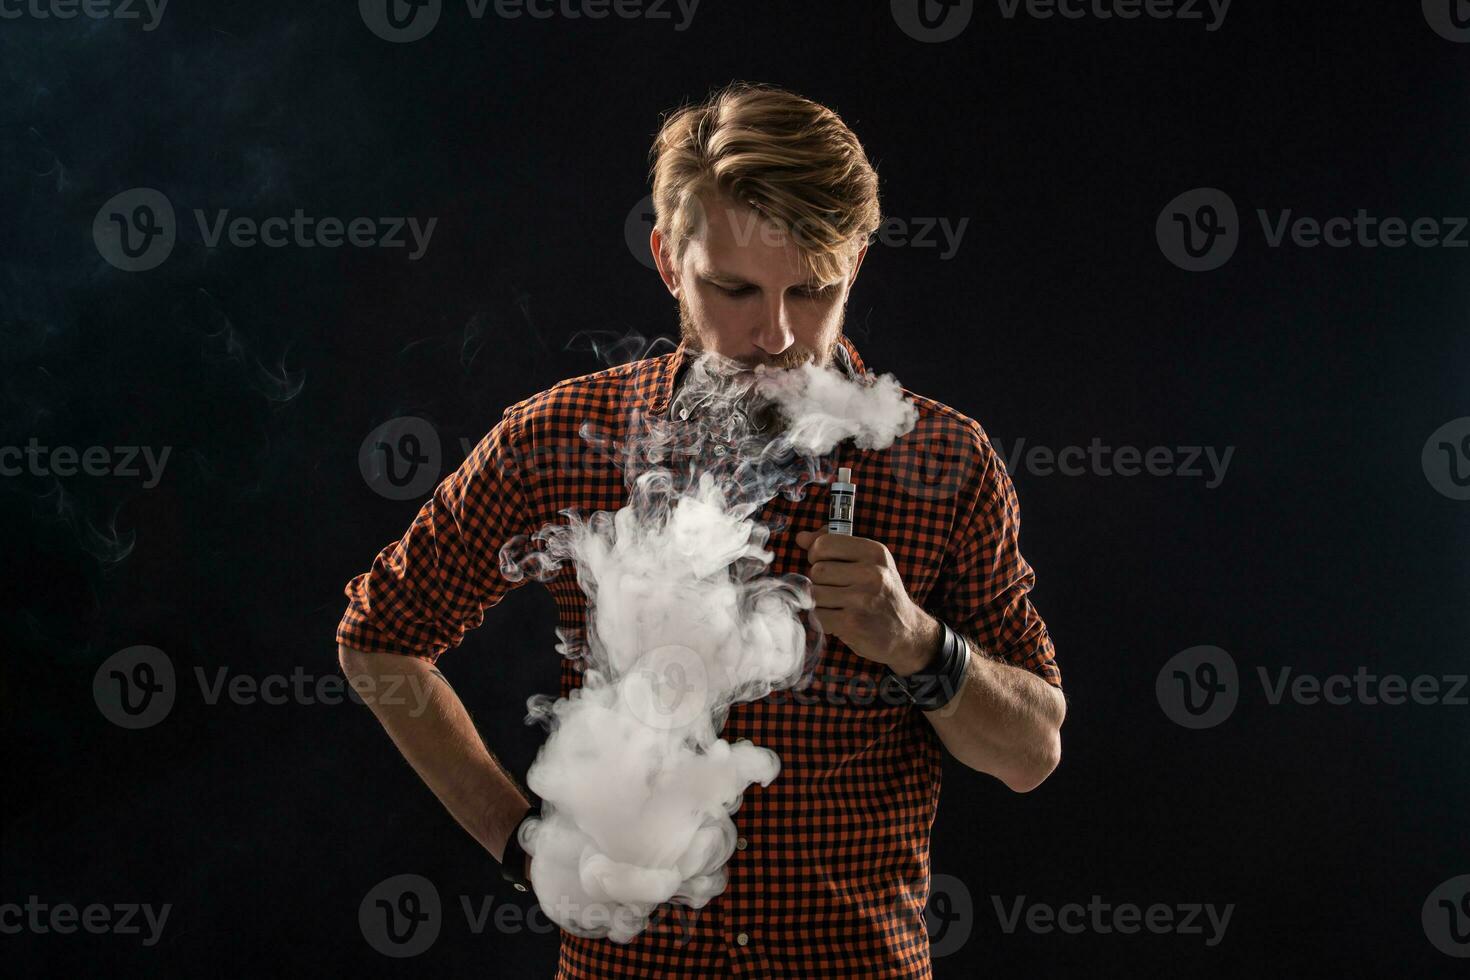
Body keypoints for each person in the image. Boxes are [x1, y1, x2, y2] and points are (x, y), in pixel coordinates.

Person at [337, 81, 1066, 979]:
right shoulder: (560, 440)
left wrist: (919, 644)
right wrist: (522, 847)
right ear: (666, 260)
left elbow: (1033, 753)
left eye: (814, 290)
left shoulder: (945, 462)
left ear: (859, 264)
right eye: (734, 289)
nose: (777, 335)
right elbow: (379, 639)